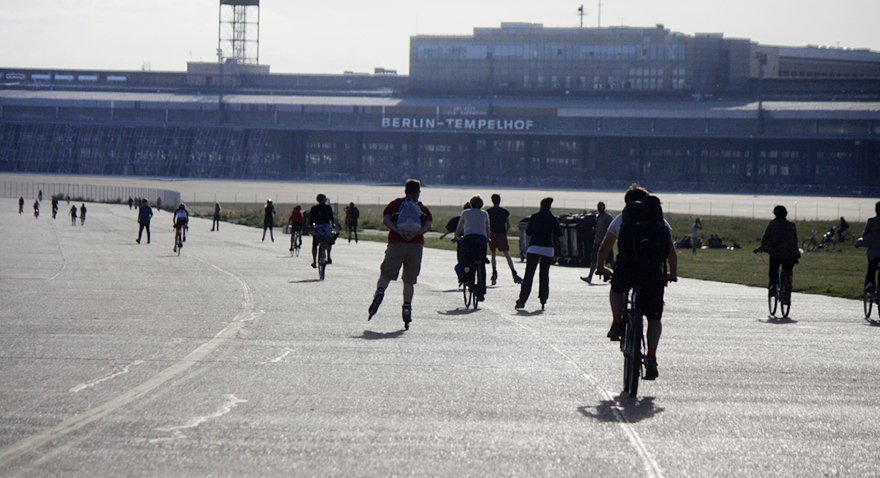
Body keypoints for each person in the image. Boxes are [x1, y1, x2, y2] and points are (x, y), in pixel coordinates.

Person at [596, 184, 678, 381]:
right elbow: (671, 253)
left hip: (628, 267)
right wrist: (672, 273)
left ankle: (617, 321)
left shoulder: (623, 218)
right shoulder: (659, 220)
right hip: (653, 273)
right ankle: (651, 357)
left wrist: (601, 267)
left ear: (627, 202)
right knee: (654, 318)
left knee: (617, 289)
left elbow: (605, 246)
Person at [367, 179, 433, 330]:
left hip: (396, 243)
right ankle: (407, 307)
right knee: (409, 280)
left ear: (405, 191)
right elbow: (428, 225)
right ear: (418, 192)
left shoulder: (395, 204)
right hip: (415, 246)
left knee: (386, 275)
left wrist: (397, 231)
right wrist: (417, 233)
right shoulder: (422, 208)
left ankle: (380, 292)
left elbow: (386, 219)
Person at [515, 197, 563, 311]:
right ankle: (543, 298)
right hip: (548, 249)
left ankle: (522, 300)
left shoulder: (534, 217)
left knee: (529, 275)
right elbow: (559, 234)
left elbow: (528, 232)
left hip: (534, 248)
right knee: (544, 275)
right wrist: (563, 249)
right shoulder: (552, 218)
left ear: (541, 205)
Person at [756, 205, 799, 304]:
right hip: (790, 253)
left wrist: (762, 247)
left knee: (773, 272)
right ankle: (787, 289)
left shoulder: (772, 225)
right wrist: (795, 252)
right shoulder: (791, 225)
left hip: (776, 253)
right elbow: (795, 240)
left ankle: (773, 289)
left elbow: (766, 238)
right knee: (788, 270)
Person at [455, 195, 491, 301]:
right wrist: (488, 238)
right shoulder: (485, 213)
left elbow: (460, 226)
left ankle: (466, 278)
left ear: (471, 204)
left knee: (465, 258)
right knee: (481, 263)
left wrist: (456, 236)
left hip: (468, 239)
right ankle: (482, 289)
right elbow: (487, 228)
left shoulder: (466, 212)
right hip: (481, 240)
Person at [486, 194, 522, 286]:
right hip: (501, 234)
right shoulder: (505, 212)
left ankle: (494, 272)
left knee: (493, 254)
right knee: (507, 255)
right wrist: (505, 232)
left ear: (492, 200)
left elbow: (487, 224)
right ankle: (514, 272)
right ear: (499, 200)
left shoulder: (488, 212)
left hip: (492, 234)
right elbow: (508, 225)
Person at [581, 201, 614, 284]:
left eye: (601, 207)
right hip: (597, 242)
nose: (599, 208)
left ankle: (616, 277)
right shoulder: (598, 217)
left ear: (604, 207)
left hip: (606, 242)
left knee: (610, 261)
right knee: (593, 259)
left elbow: (612, 229)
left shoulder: (608, 217)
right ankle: (589, 277)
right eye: (598, 207)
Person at [309, 194, 337, 267]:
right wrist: (333, 224)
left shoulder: (314, 208)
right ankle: (328, 257)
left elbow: (311, 219)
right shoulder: (328, 207)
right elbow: (331, 217)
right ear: (324, 200)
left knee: (315, 244)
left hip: (318, 227)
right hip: (327, 226)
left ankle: (314, 261)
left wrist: (311, 225)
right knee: (329, 240)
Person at [858, 202, 880, 294]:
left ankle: (870, 285)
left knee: (871, 269)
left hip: (873, 253)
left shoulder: (871, 221)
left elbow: (865, 235)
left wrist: (859, 242)